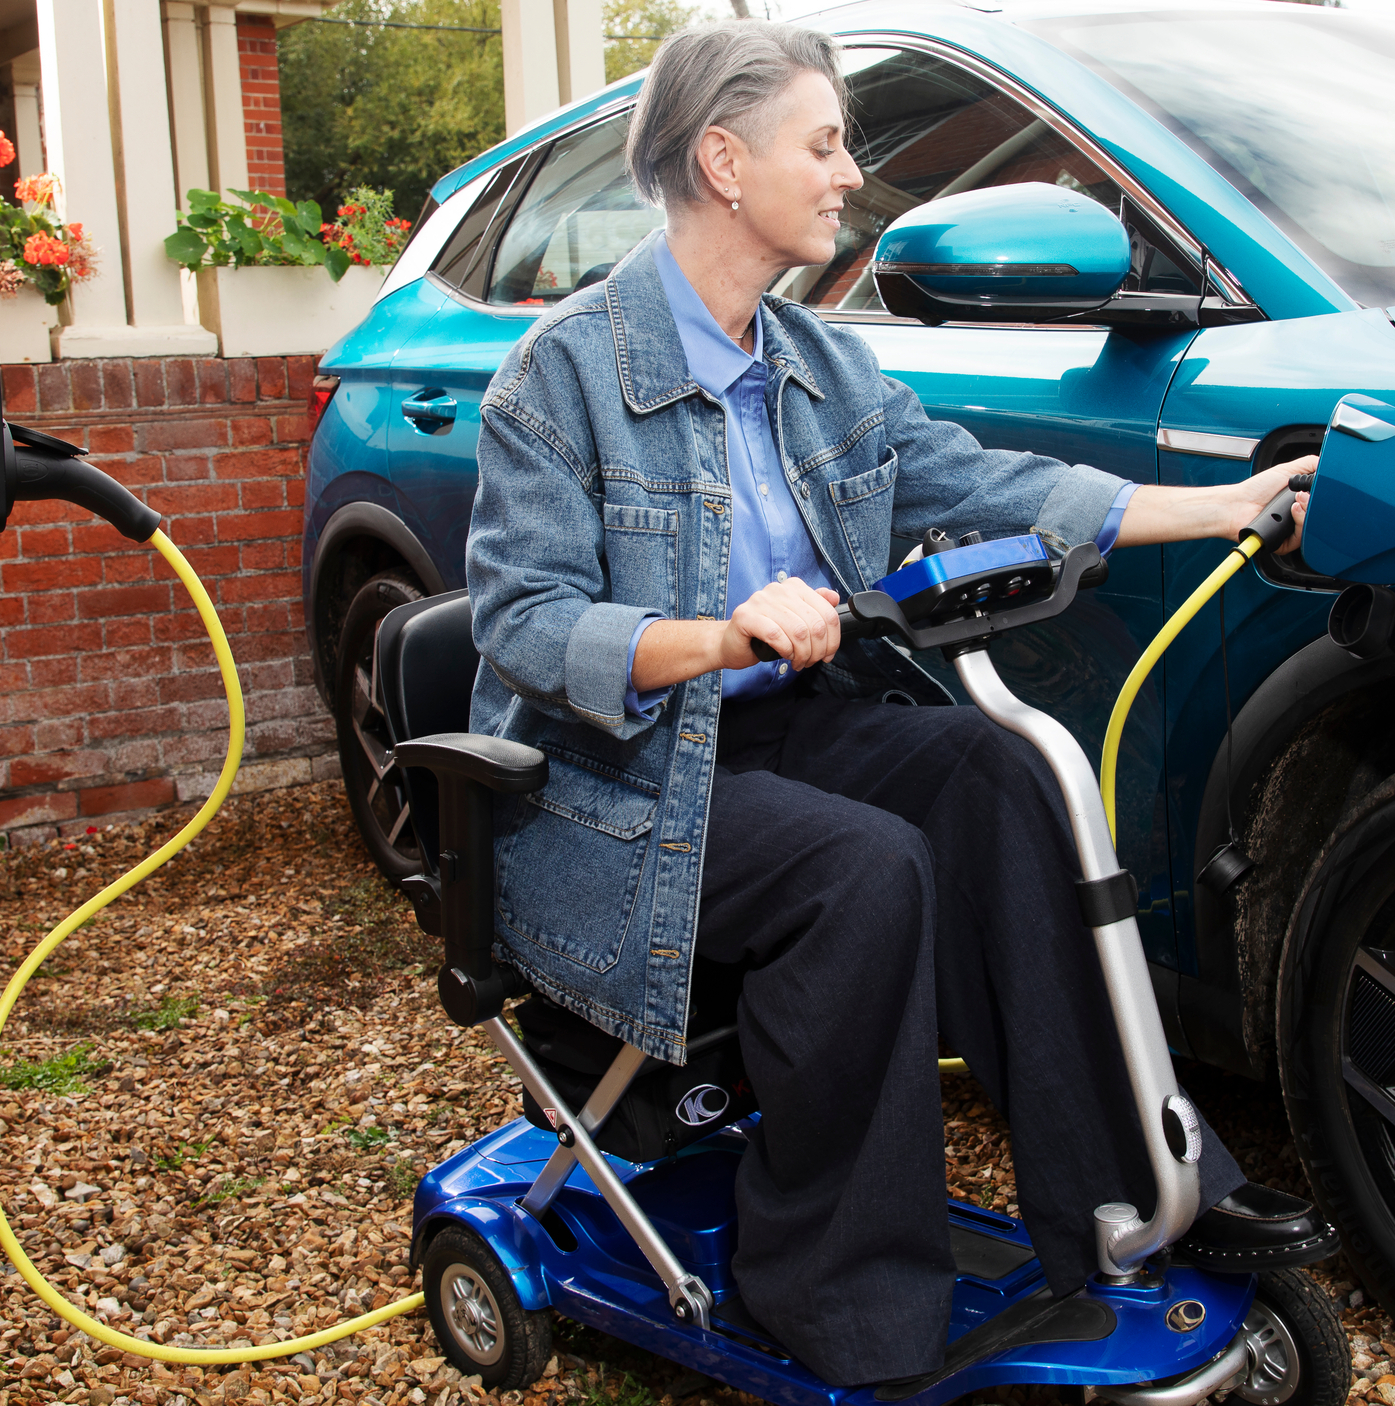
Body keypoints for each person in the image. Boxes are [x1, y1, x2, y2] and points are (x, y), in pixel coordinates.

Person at [466, 21, 1332, 1386]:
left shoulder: (817, 363)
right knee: (864, 868)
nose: (849, 176)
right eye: (824, 144)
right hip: (623, 783)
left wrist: (1226, 503)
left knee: (1000, 775)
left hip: (782, 734)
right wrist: (717, 631)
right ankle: (843, 1300)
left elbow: (984, 483)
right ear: (721, 157)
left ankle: (1132, 1187)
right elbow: (525, 622)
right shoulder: (560, 377)